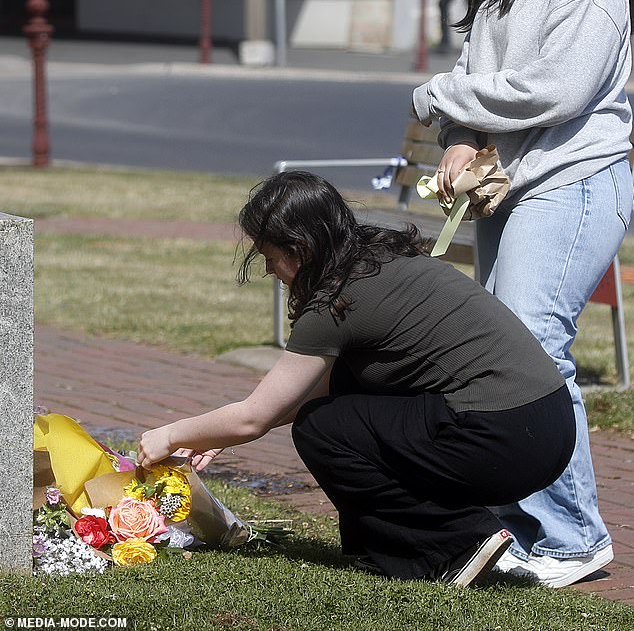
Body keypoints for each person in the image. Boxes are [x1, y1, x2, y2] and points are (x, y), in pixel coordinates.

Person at [137, 170, 575, 587]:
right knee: (340, 402)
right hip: (548, 425)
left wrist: (171, 435)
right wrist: (221, 434)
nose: (270, 271)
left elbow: (254, 416)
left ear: (300, 248)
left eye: (271, 257)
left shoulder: (336, 301)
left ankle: (454, 544)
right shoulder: (376, 258)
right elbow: (317, 390)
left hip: (503, 435)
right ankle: (402, 545)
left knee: (322, 428)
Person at [412, 0, 634, 588]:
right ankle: (524, 522)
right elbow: (484, 76)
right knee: (505, 355)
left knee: (535, 350)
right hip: (507, 186)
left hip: (573, 184)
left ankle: (574, 536)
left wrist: (440, 100)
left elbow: (555, 92)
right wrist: (462, 138)